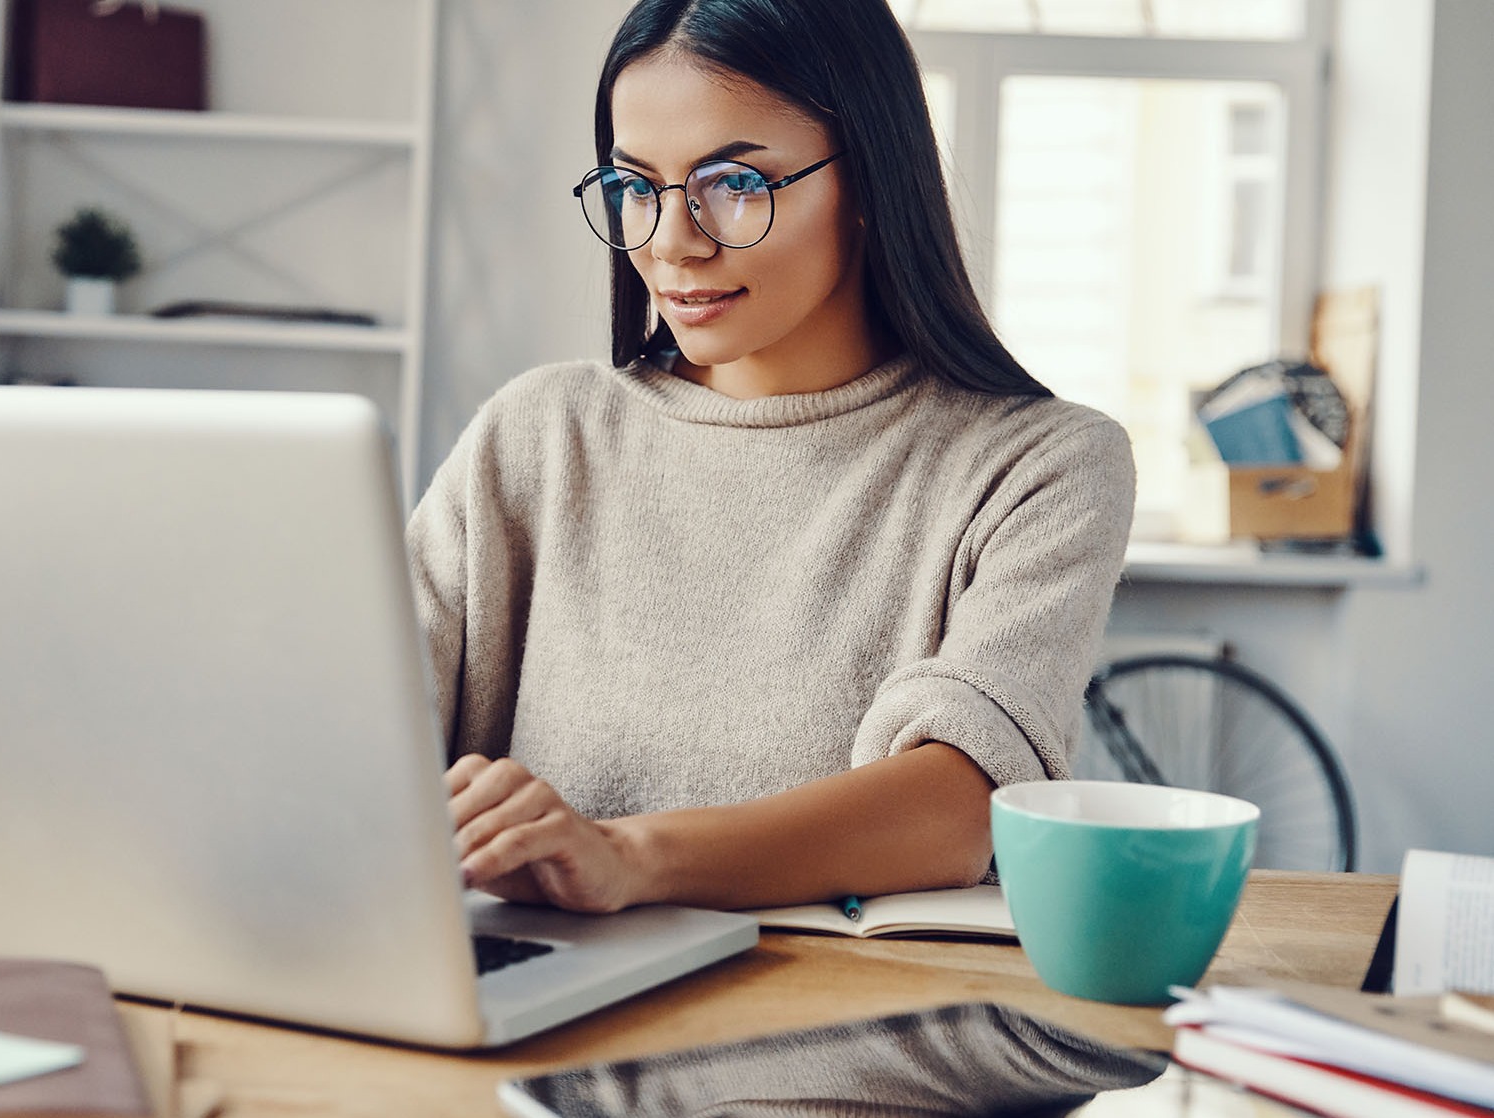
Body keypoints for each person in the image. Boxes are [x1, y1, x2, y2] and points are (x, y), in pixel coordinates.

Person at [406, 0, 1136, 917]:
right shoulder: (538, 435)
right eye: (636, 187)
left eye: (734, 183)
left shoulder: (1040, 466)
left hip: (854, 1036)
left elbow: (958, 805)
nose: (672, 241)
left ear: (870, 180)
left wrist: (627, 856)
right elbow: (353, 718)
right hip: (540, 1026)